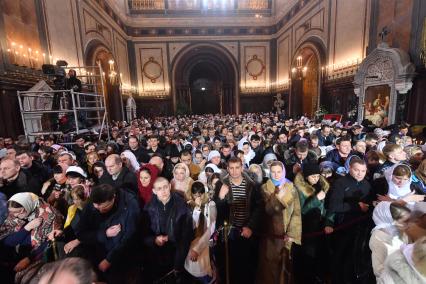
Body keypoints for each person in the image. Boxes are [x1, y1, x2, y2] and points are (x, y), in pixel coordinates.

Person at [76, 184, 141, 283]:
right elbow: (81, 233)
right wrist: (104, 234)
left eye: (105, 207)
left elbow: (129, 237)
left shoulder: (130, 204)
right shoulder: (93, 203)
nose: (100, 211)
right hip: (96, 253)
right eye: (97, 207)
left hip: (121, 258)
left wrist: (109, 259)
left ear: (113, 198)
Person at [215, 157, 263, 284]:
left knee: (247, 265)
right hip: (229, 232)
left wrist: (250, 226)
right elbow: (217, 211)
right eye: (231, 168)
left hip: (247, 231)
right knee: (230, 265)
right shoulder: (221, 184)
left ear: (242, 168)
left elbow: (258, 208)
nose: (234, 171)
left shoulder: (252, 185)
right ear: (227, 168)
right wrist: (220, 197)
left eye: (237, 167)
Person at [327, 157, 373, 284]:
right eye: (356, 170)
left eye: (363, 171)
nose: (360, 173)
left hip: (361, 228)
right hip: (343, 227)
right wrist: (356, 206)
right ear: (350, 169)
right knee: (340, 256)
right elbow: (333, 206)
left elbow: (368, 204)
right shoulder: (340, 183)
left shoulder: (366, 184)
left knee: (355, 258)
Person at [256, 161, 301, 284]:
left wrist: (292, 233)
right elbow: (269, 209)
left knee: (285, 267)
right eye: (273, 172)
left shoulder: (291, 188)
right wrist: (280, 196)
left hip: (286, 236)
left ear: (283, 172)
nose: (276, 175)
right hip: (270, 235)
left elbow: (296, 213)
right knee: (269, 268)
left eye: (279, 172)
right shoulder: (265, 188)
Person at [0, 192, 62, 281]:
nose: (15, 215)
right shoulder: (14, 215)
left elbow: (49, 243)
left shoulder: (50, 215)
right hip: (13, 256)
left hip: (36, 258)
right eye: (11, 212)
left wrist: (29, 258)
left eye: (18, 212)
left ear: (27, 206)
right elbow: (6, 242)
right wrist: (27, 228)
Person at [142, 177, 193, 283]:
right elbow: (143, 233)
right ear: (154, 191)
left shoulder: (182, 206)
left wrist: (178, 263)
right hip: (156, 253)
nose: (163, 191)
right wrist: (154, 239)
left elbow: (186, 235)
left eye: (165, 187)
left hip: (176, 251)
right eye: (159, 188)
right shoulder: (148, 208)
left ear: (170, 187)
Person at [293, 163, 332, 284]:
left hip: (320, 226)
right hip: (307, 228)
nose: (316, 179)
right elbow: (302, 211)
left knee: (320, 255)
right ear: (306, 176)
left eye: (317, 176)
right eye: (312, 176)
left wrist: (327, 221)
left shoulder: (322, 186)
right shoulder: (300, 189)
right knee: (307, 256)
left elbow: (326, 208)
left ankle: (318, 276)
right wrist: (316, 200)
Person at [184, 181, 217, 283]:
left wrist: (197, 249)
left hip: (205, 243)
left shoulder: (210, 204)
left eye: (200, 194)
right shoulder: (188, 205)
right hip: (191, 242)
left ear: (204, 193)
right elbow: (193, 225)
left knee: (204, 270)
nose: (198, 197)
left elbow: (211, 227)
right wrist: (196, 208)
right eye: (195, 194)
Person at [369, 202, 411, 280]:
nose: (409, 224)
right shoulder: (378, 239)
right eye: (405, 221)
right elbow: (379, 271)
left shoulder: (399, 230)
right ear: (391, 221)